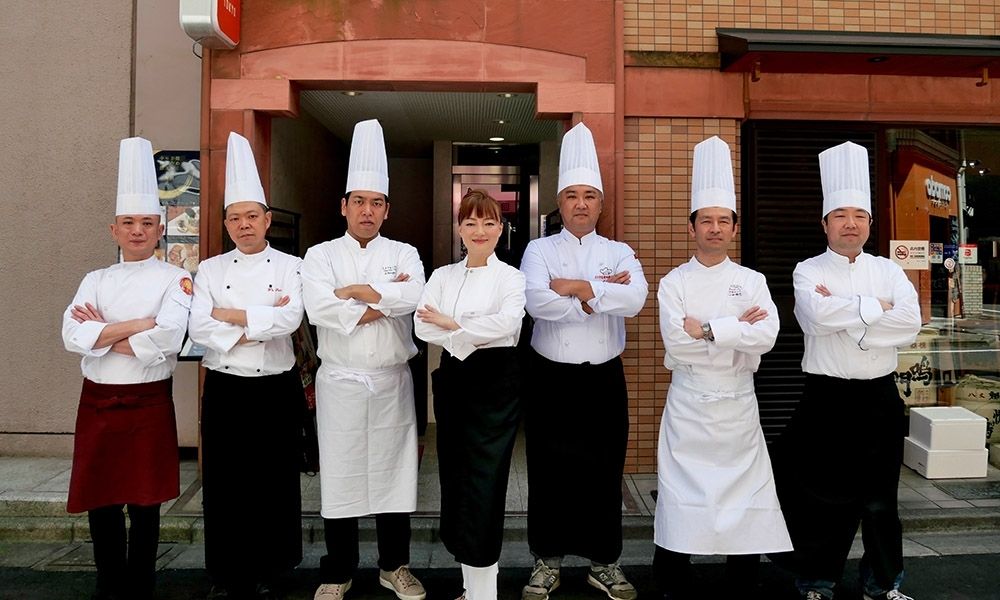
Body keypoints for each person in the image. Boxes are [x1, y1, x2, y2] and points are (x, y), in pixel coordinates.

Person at [777, 141, 921, 600]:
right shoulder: (806, 270)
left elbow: (911, 323)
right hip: (826, 398)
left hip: (878, 397)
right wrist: (874, 312)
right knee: (821, 499)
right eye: (840, 215)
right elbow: (815, 318)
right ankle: (816, 580)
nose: (851, 223)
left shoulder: (889, 271)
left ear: (870, 224)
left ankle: (883, 583)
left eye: (859, 215)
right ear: (825, 223)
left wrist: (851, 318)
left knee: (881, 502)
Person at [654, 136, 792, 599]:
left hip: (738, 404)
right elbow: (676, 341)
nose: (715, 228)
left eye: (723, 221)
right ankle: (672, 581)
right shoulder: (674, 282)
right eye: (706, 220)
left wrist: (709, 330)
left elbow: (768, 336)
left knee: (743, 495)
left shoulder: (751, 280)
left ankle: (742, 581)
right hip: (689, 403)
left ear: (734, 227)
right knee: (681, 494)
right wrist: (735, 330)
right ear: (692, 226)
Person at [520, 122, 647, 600]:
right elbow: (537, 303)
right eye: (571, 195)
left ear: (601, 203)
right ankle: (546, 561)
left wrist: (576, 288)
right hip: (549, 378)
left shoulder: (618, 250)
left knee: (603, 469)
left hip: (603, 380)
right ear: (560, 201)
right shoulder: (538, 249)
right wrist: (599, 294)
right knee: (548, 469)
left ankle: (604, 563)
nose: (580, 204)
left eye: (589, 195)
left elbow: (635, 298)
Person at [61, 137, 192, 600]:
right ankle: (108, 584)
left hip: (147, 403)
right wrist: (140, 325)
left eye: (147, 223)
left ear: (161, 230)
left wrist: (107, 333)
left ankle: (141, 585)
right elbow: (73, 336)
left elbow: (171, 336)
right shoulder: (94, 280)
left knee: (146, 504)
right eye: (128, 223)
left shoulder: (176, 278)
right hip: (96, 403)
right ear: (113, 230)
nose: (137, 231)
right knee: (102, 503)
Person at [301, 119, 427, 600]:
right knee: (342, 472)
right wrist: (382, 302)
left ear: (387, 209)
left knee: (396, 474)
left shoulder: (406, 252)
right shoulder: (320, 255)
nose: (367, 211)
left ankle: (394, 565)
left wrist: (355, 295)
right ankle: (338, 570)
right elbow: (319, 309)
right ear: (344, 206)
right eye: (359, 202)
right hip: (341, 381)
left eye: (376, 203)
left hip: (393, 379)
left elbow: (414, 295)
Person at [188, 132, 305, 600]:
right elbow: (199, 328)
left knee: (274, 482)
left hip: (276, 389)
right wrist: (260, 319)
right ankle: (225, 573)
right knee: (225, 483)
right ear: (226, 224)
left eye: (252, 216)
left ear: (267, 219)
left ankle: (272, 570)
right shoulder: (211, 270)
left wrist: (230, 316)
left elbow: (291, 318)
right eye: (234, 218)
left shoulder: (293, 265)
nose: (244, 225)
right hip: (226, 389)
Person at [414, 189, 526, 600]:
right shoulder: (443, 276)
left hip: (496, 386)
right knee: (456, 479)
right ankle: (469, 587)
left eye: (489, 222)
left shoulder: (512, 277)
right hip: (455, 384)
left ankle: (485, 592)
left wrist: (452, 324)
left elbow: (510, 325)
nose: (480, 230)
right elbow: (424, 327)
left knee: (486, 483)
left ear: (501, 228)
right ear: (459, 228)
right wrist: (469, 330)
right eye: (471, 222)